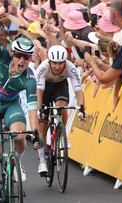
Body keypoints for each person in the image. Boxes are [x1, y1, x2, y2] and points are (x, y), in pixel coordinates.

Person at [0, 34, 41, 203]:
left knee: (20, 136)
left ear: (31, 58)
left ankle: (16, 164)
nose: (22, 60)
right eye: (19, 55)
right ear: (12, 53)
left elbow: (32, 109)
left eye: (27, 57)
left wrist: (36, 133)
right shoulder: (2, 57)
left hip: (10, 105)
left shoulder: (29, 79)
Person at [36, 45, 86, 175]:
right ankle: (41, 161)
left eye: (61, 63)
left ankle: (61, 133)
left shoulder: (71, 67)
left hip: (60, 86)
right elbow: (39, 92)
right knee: (42, 123)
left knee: (62, 106)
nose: (57, 67)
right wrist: (39, 109)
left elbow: (79, 92)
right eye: (55, 63)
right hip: (45, 88)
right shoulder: (43, 68)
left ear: (65, 62)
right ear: (49, 61)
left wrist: (82, 109)